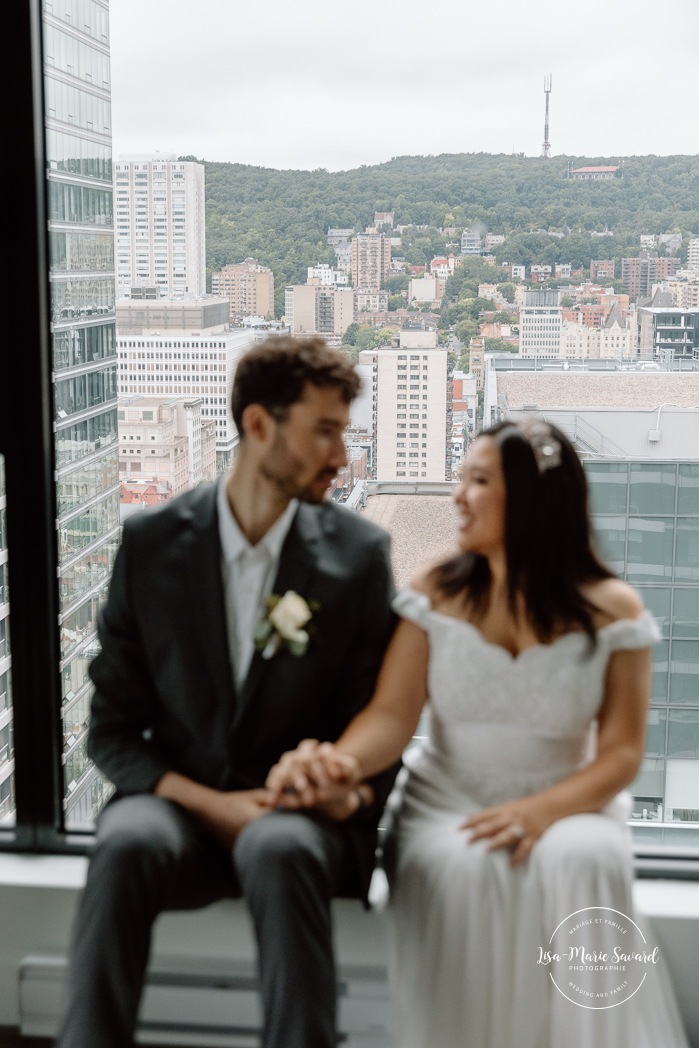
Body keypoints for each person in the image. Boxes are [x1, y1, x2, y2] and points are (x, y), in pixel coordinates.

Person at [267, 419, 690, 1048]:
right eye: (461, 478)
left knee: (586, 857)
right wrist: (338, 764)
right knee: (461, 866)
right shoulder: (436, 592)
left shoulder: (613, 609)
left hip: (568, 796)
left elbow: (625, 752)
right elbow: (391, 718)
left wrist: (539, 810)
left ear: (531, 498)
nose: (457, 495)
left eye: (478, 480)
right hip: (449, 797)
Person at [56, 337, 398, 1048]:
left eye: (344, 432)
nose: (340, 456)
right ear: (257, 425)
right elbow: (111, 732)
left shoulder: (357, 555)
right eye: (325, 430)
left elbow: (374, 728)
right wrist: (216, 806)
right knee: (122, 841)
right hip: (180, 807)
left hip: (296, 817)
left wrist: (336, 790)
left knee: (278, 848)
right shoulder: (151, 545)